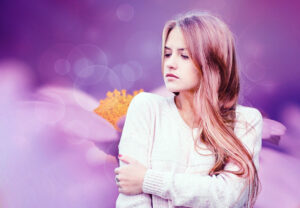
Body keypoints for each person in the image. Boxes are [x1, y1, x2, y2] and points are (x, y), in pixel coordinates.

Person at [114, 10, 263, 208]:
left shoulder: (246, 120)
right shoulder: (146, 108)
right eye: (167, 54)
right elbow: (131, 199)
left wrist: (147, 180)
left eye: (184, 56)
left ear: (214, 62)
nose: (170, 64)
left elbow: (229, 197)